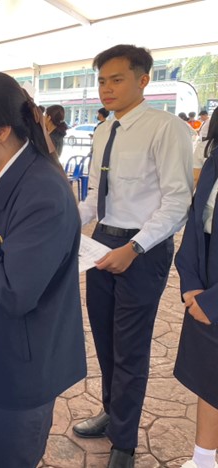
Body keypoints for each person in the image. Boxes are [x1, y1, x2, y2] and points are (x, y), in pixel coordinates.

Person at [0, 71, 86, 468]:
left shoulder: (41, 190)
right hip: (2, 353)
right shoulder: (1, 178)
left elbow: (13, 291)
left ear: (2, 130)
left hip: (20, 365)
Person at [73, 45, 193, 468]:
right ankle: (112, 411)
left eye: (117, 79)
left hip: (144, 248)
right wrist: (64, 222)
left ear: (143, 80)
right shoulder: (103, 130)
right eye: (102, 81)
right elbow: (94, 198)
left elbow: (178, 201)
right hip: (103, 241)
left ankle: (124, 441)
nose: (106, 88)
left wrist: (135, 247)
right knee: (105, 338)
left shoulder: (166, 128)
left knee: (131, 347)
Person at [173, 109, 218, 468]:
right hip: (206, 279)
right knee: (210, 373)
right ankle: (203, 459)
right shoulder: (215, 156)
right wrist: (190, 282)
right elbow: (196, 218)